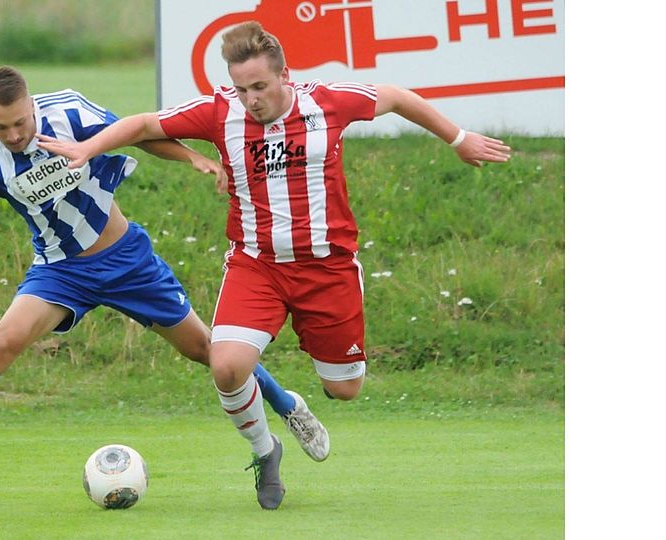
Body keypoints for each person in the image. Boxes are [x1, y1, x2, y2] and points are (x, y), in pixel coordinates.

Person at [36, 21, 512, 509]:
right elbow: (143, 125)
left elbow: (395, 97)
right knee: (226, 367)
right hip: (256, 266)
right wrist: (87, 148)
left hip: (327, 268)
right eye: (242, 89)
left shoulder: (327, 103)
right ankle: (266, 451)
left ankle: (306, 397)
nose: (251, 100)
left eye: (260, 87)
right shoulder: (220, 112)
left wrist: (457, 139)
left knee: (344, 389)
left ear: (286, 74)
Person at [0, 66, 330, 496]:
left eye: (19, 123)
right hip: (59, 272)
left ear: (32, 104)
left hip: (127, 262)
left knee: (207, 350)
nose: (11, 135)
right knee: (2, 343)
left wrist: (192, 156)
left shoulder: (69, 111)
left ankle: (287, 406)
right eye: (0, 126)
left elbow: (136, 132)